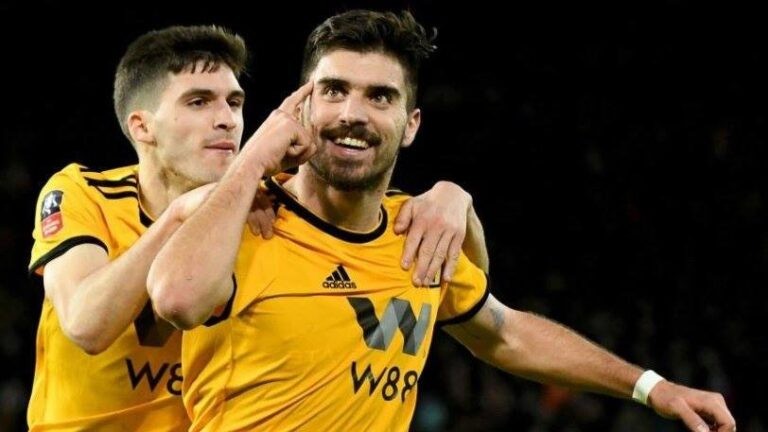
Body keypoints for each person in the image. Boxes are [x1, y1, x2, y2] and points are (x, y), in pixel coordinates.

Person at [148, 10, 736, 432]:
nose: (353, 113)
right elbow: (176, 299)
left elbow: (503, 333)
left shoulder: (417, 234)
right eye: (333, 90)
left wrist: (652, 387)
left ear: (411, 125)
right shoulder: (244, 214)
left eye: (380, 97)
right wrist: (252, 162)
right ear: (300, 107)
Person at [27, 24, 487, 431]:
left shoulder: (267, 204)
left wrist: (457, 200)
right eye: (199, 102)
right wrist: (181, 214)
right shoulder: (84, 192)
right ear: (142, 127)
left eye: (234, 102)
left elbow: (459, 291)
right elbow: (87, 325)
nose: (226, 119)